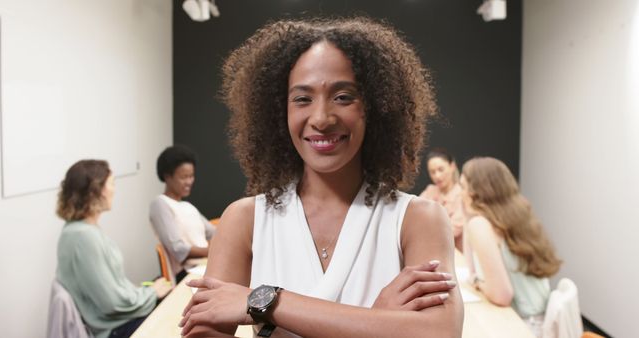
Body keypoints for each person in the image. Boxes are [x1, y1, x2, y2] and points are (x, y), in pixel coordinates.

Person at [180, 17, 463, 338]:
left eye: (343, 97)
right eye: (302, 98)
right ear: (277, 112)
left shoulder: (419, 219)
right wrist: (377, 322)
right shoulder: (244, 220)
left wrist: (266, 301)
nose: (321, 118)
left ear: (375, 107)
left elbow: (440, 332)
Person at [55, 160, 172, 338]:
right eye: (112, 184)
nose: (114, 190)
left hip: (114, 322)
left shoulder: (77, 230)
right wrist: (151, 293)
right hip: (113, 330)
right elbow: (112, 303)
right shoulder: (84, 237)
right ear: (95, 191)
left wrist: (145, 291)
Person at [459, 157, 562, 336]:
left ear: (476, 191)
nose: (459, 193)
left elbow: (501, 295)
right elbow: (473, 267)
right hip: (543, 321)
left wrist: (477, 282)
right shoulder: (516, 215)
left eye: (462, 186)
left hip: (523, 327)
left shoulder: (481, 225)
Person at [149, 145, 215, 283]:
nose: (189, 182)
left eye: (191, 176)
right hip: (187, 273)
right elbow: (178, 249)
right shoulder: (160, 204)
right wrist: (213, 251)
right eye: (184, 177)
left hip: (204, 266)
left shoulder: (187, 206)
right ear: (167, 176)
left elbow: (214, 232)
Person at [420, 148, 466, 252]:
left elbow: (451, 231)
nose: (437, 176)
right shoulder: (429, 191)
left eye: (441, 169)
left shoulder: (463, 195)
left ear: (452, 166)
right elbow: (414, 219)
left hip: (457, 256)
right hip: (429, 251)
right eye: (432, 172)